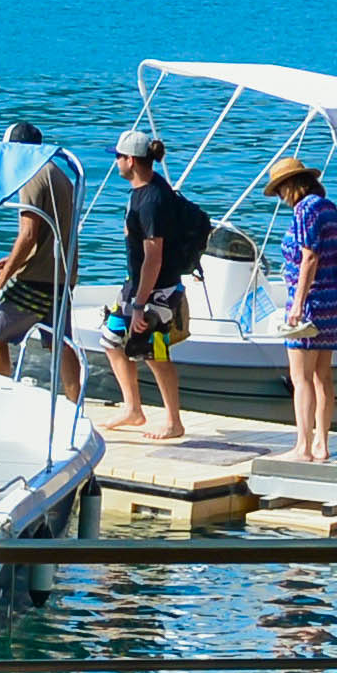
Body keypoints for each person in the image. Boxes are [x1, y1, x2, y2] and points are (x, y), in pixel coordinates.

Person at [98, 127, 214, 441]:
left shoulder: (152, 198)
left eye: (119, 157)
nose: (116, 163)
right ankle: (133, 408)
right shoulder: (147, 191)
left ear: (132, 161)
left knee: (155, 353)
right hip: (136, 287)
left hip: (155, 292)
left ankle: (174, 421)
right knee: (110, 339)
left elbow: (154, 257)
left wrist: (139, 305)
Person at [261, 153, 337, 460]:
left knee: (300, 377)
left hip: (310, 302)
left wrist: (297, 305)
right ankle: (322, 444)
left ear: (290, 186)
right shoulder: (328, 207)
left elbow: (309, 257)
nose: (280, 198)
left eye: (279, 191)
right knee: (322, 376)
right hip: (333, 301)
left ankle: (302, 446)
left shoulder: (304, 210)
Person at [0, 119, 77, 381]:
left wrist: (4, 277)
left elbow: (29, 234)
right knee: (60, 343)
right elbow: (49, 230)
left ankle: (2, 396)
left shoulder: (31, 178)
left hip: (36, 279)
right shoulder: (60, 175)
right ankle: (76, 402)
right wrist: (12, 258)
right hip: (60, 275)